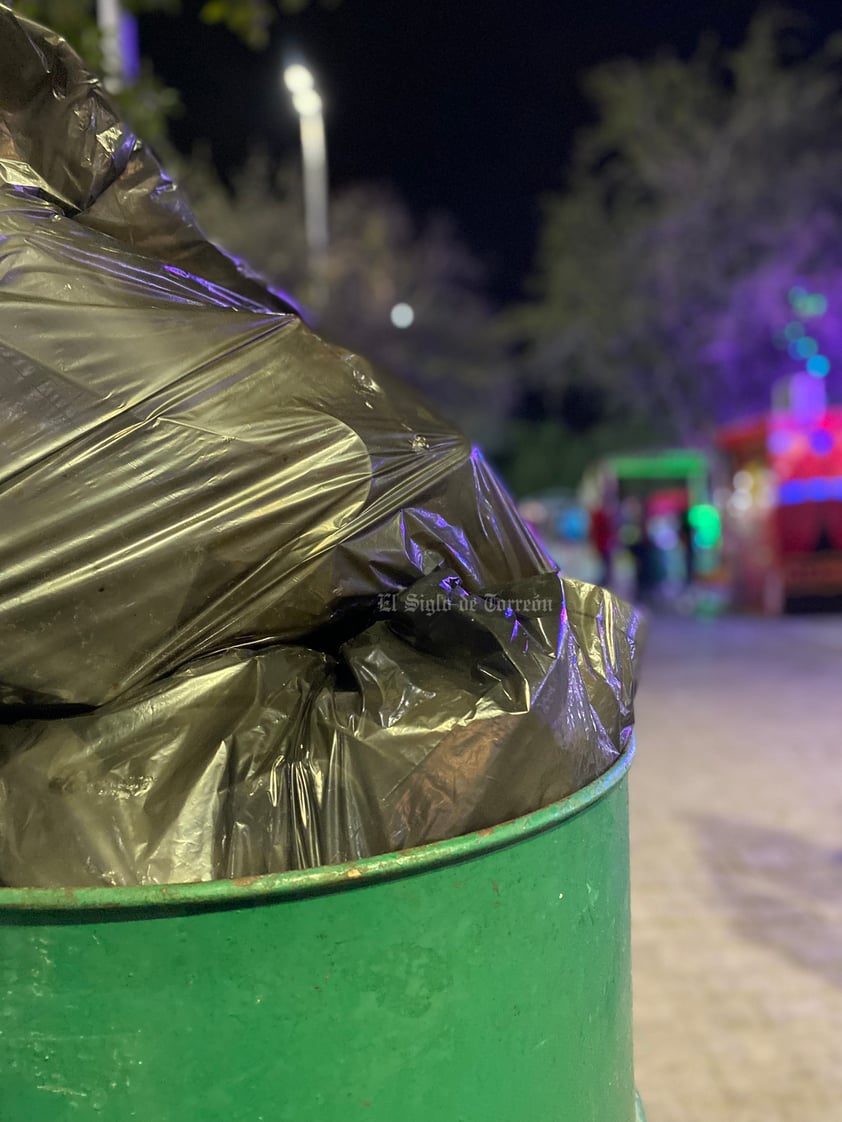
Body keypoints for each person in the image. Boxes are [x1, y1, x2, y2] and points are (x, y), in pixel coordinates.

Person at [589, 504, 615, 588]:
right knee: (606, 562)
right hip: (604, 543)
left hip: (603, 543)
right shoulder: (601, 515)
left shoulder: (598, 515)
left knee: (606, 562)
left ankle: (606, 579)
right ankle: (606, 579)